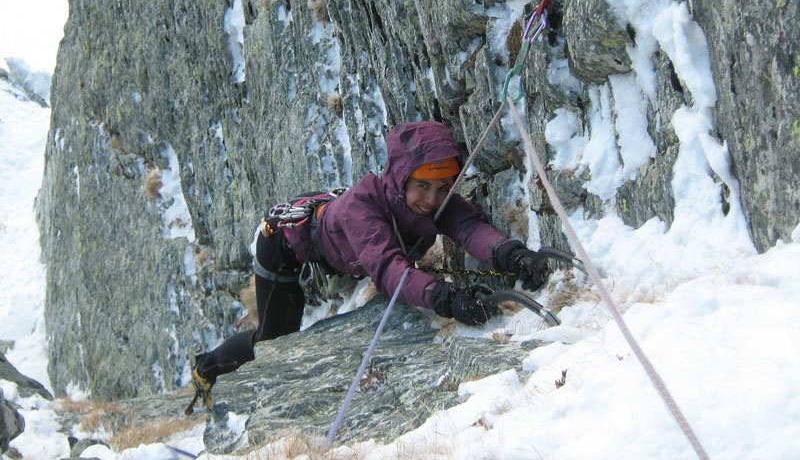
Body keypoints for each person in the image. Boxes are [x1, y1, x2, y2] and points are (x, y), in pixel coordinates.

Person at [189, 121, 551, 410]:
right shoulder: (362, 210)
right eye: (423, 186)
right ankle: (207, 368)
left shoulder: (434, 200)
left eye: (444, 188)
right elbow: (388, 270)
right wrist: (444, 298)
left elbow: (468, 227)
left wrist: (511, 255)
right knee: (272, 340)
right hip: (281, 244)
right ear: (400, 179)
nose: (432, 199)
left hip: (334, 243)